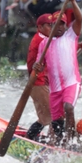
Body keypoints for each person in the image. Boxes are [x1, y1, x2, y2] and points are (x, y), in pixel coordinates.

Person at [34, 0, 82, 146]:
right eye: (56, 24)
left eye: (62, 24)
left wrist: (72, 1)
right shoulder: (44, 44)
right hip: (55, 89)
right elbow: (40, 67)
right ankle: (59, 144)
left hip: (72, 83)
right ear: (51, 25)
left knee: (69, 107)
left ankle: (71, 139)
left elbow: (80, 18)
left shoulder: (71, 36)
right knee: (56, 123)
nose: (59, 27)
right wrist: (37, 66)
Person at [25, 14, 53, 142]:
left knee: (47, 115)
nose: (51, 28)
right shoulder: (41, 40)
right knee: (48, 117)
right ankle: (31, 137)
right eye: (49, 25)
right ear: (40, 27)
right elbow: (31, 64)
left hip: (42, 81)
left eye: (53, 25)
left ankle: (36, 137)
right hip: (38, 81)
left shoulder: (44, 38)